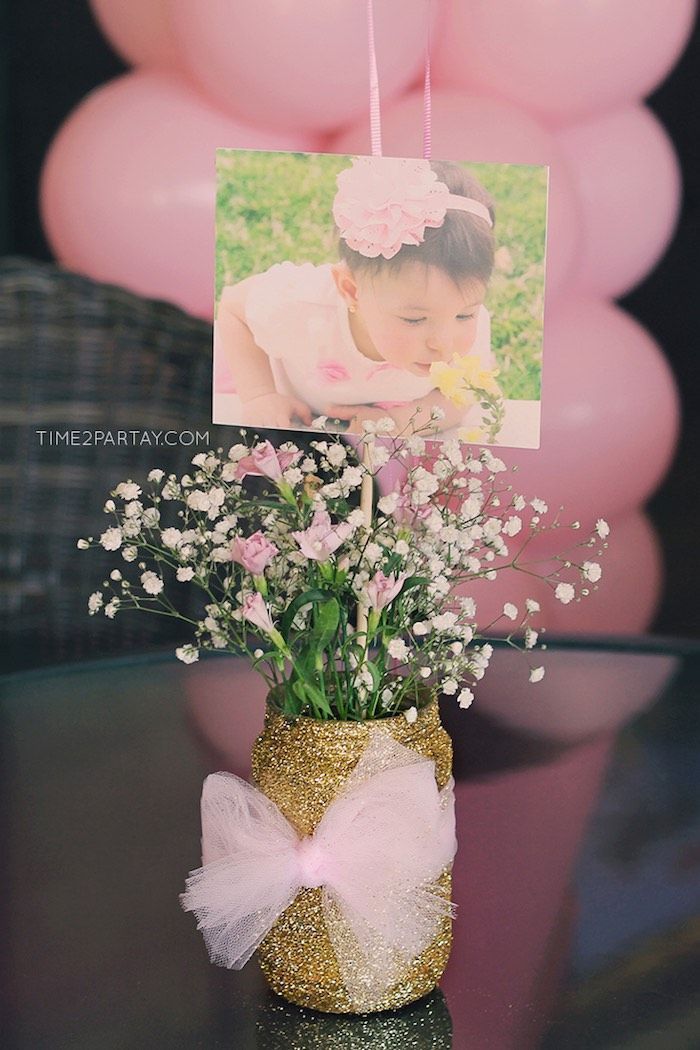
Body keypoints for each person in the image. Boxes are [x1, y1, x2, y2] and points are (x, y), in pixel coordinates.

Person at [216, 156, 497, 435]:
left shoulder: (462, 330)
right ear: (352, 291)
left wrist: (402, 421)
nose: (443, 343)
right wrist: (260, 395)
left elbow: (462, 395)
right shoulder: (303, 307)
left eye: (465, 314)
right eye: (414, 319)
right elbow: (233, 309)